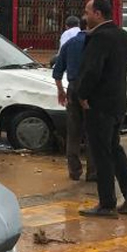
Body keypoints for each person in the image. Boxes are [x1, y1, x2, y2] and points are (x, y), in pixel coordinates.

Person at [76, 0, 127, 218]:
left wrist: (82, 94)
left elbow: (92, 70)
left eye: (87, 12)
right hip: (117, 102)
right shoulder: (121, 35)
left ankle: (107, 203)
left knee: (102, 154)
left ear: (97, 13)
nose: (84, 16)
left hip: (99, 104)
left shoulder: (100, 37)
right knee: (114, 149)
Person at [53, 29, 93, 182]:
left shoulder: (69, 44)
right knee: (92, 132)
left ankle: (74, 171)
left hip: (73, 88)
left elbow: (57, 73)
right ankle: (93, 172)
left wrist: (61, 92)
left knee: (73, 132)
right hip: (91, 89)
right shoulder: (95, 43)